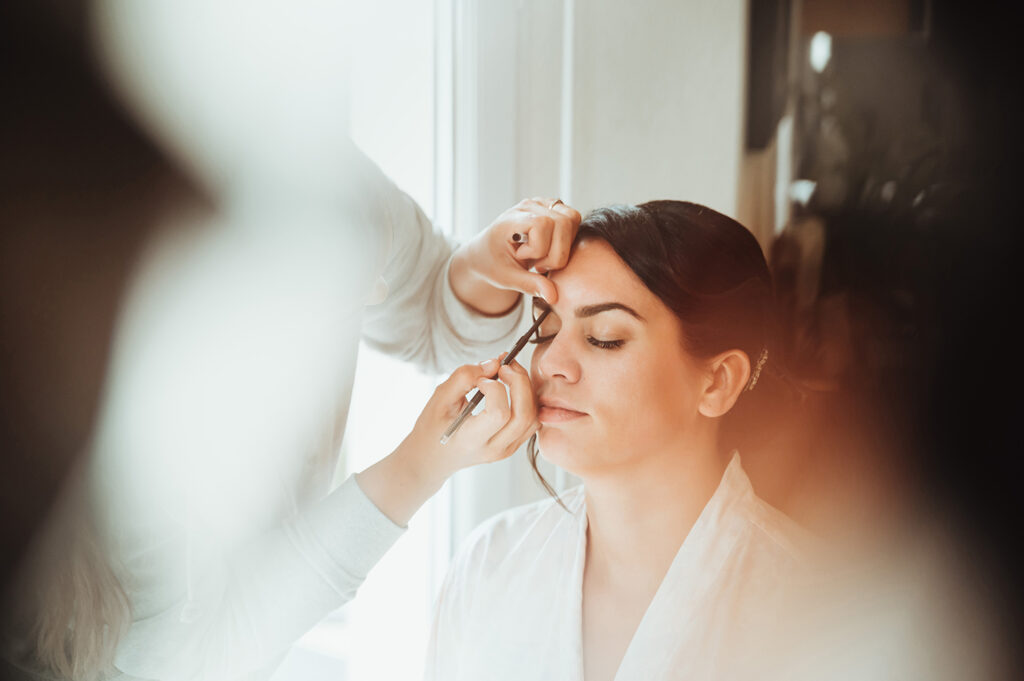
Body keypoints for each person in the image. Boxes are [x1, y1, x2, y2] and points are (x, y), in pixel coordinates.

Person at [0, 2, 584, 680]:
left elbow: (427, 306)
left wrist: (482, 263)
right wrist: (416, 467)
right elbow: (193, 657)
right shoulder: (80, 348)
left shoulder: (318, 177)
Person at [425, 201, 808, 681]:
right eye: (546, 329)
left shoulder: (817, 609)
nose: (549, 364)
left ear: (717, 383)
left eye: (604, 337)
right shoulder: (489, 565)